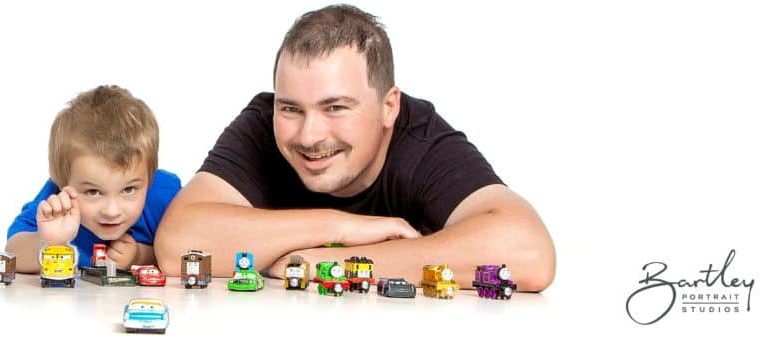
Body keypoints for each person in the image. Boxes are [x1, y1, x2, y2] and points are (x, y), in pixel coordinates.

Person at [155, 4, 555, 291]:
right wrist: (343, 227)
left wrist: (332, 264)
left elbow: (528, 253)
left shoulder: (420, 139)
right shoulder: (261, 124)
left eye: (336, 108)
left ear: (388, 107)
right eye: (291, 108)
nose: (309, 136)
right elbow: (178, 244)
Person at [5, 85, 181, 273]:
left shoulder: (165, 194)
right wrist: (49, 242)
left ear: (150, 177)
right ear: (63, 183)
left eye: (129, 190)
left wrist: (140, 255)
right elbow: (12, 253)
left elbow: (184, 252)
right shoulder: (57, 200)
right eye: (93, 192)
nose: (112, 211)